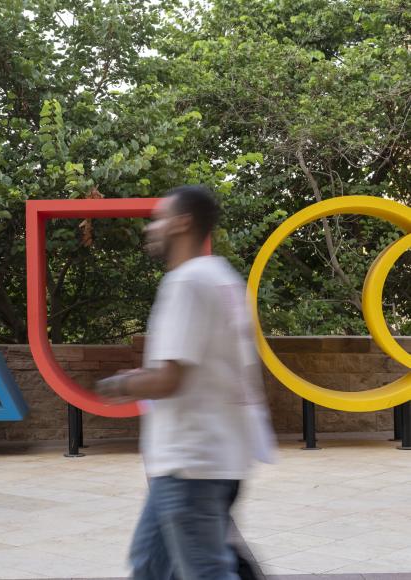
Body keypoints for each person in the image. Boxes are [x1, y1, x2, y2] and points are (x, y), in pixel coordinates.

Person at [96, 185, 275, 580]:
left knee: (203, 572)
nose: (151, 229)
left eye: (158, 219)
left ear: (182, 223)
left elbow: (168, 379)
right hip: (213, 457)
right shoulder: (223, 277)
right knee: (150, 567)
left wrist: (120, 384)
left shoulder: (187, 283)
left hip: (191, 462)